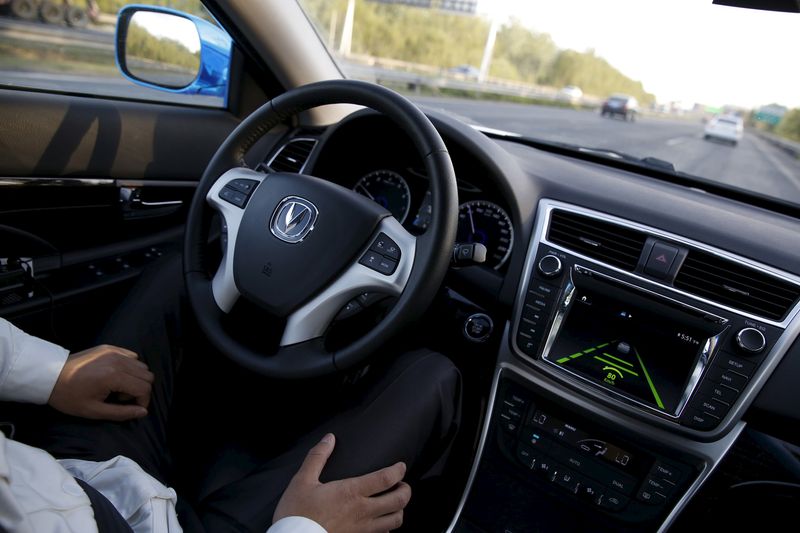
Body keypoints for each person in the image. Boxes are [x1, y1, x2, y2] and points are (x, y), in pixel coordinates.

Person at [0, 255, 462, 532]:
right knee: (432, 376)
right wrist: (304, 526)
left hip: (62, 478)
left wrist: (51, 373)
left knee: (183, 278)